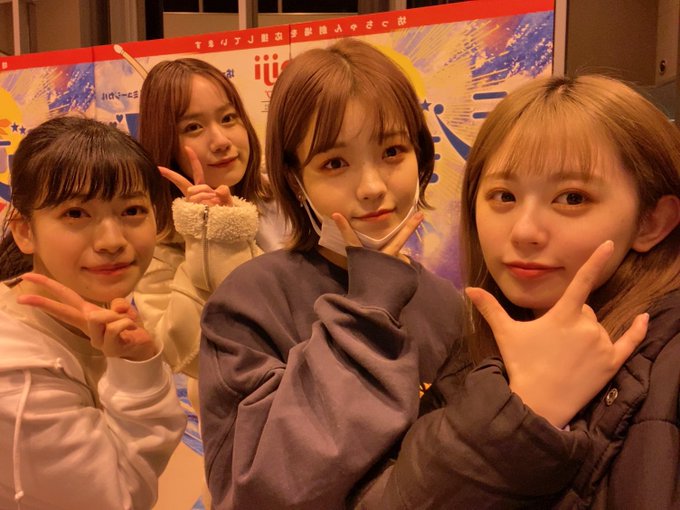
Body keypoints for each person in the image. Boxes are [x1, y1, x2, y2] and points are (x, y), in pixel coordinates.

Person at [353, 74, 679, 509]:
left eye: (572, 198)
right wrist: (527, 413)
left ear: (651, 222)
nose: (524, 231)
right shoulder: (477, 350)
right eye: (504, 196)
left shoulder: (669, 362)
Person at [198, 38, 468, 509]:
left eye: (393, 151)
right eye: (335, 163)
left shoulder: (447, 305)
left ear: (421, 156)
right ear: (294, 178)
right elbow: (259, 490)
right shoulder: (249, 300)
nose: (372, 187)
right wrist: (369, 309)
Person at [0, 116, 186, 510]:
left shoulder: (99, 313)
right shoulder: (16, 370)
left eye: (132, 210)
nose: (112, 241)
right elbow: (115, 499)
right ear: (25, 231)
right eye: (75, 214)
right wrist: (138, 372)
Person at [134, 57, 282, 393]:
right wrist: (208, 234)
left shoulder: (288, 197)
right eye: (193, 128)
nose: (220, 140)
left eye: (228, 118)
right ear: (165, 145)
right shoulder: (158, 241)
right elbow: (184, 355)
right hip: (244, 408)